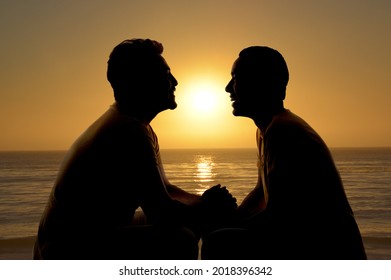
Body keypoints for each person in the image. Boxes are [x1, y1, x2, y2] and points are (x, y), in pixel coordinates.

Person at [34, 39, 236, 260]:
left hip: (86, 236)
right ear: (139, 81)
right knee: (180, 238)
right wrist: (208, 208)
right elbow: (161, 211)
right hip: (66, 249)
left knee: (192, 219)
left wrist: (202, 201)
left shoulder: (137, 125)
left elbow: (165, 190)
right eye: (165, 74)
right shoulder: (127, 130)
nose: (175, 81)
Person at [201, 46, 367, 260]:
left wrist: (224, 227)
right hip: (303, 241)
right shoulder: (267, 130)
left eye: (236, 78)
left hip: (326, 249)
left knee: (219, 242)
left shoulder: (284, 131)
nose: (227, 88)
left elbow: (280, 217)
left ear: (262, 83)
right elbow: (261, 193)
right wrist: (232, 220)